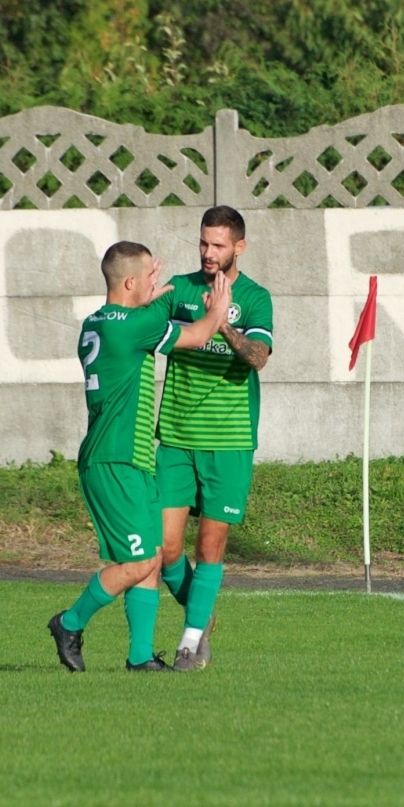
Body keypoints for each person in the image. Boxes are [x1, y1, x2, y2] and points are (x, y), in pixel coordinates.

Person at [49, 241, 229, 673]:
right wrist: (220, 308)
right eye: (149, 276)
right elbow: (199, 334)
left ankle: (140, 658)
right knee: (140, 562)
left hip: (134, 460)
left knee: (152, 558)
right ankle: (69, 623)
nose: (155, 283)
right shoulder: (133, 325)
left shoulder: (99, 322)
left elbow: (137, 319)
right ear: (130, 282)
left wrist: (151, 298)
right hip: (115, 461)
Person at [156, 206, 274, 671]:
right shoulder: (179, 290)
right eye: (203, 243)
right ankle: (200, 614)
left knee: (208, 547)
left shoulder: (256, 297)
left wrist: (221, 321)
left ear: (239, 247)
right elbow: (141, 325)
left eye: (218, 245)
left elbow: (258, 357)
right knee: (165, 548)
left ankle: (190, 643)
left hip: (229, 440)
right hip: (176, 437)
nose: (208, 252)